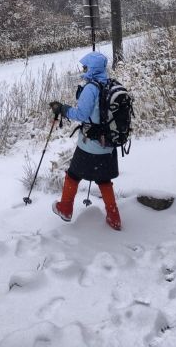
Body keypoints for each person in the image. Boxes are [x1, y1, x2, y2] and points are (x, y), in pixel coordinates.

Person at [49, 50, 122, 230]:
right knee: (104, 180)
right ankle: (114, 218)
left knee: (73, 175)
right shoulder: (110, 83)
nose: (83, 68)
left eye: (86, 66)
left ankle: (65, 208)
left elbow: (82, 114)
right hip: (108, 144)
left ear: (92, 67)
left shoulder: (91, 88)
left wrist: (64, 109)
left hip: (91, 145)